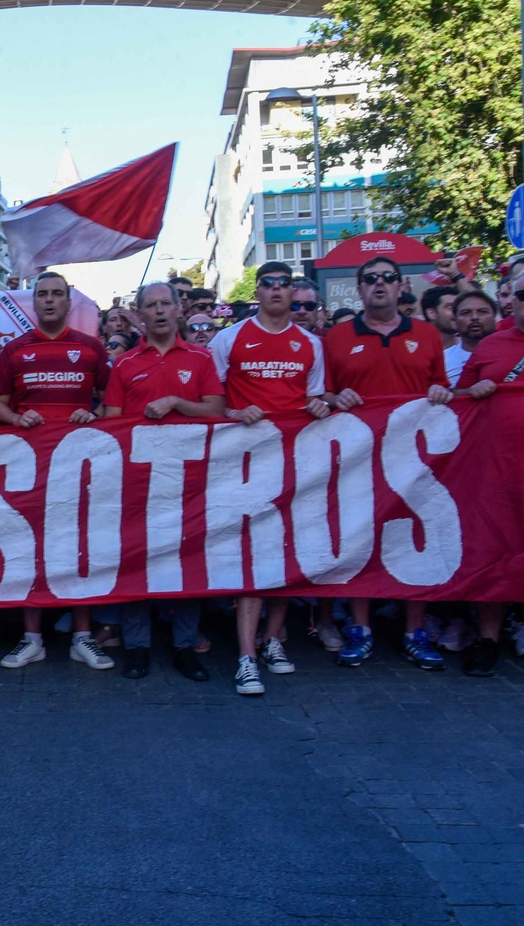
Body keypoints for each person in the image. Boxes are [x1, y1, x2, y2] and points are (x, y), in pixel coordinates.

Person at [321, 256, 451, 672]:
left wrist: (439, 393)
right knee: (361, 540)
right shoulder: (336, 338)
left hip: (415, 459)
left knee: (417, 539)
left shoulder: (428, 335)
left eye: (387, 278)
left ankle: (415, 631)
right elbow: (321, 395)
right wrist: (334, 399)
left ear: (402, 286)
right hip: (359, 457)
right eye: (370, 279)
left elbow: (443, 389)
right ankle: (361, 629)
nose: (379, 284)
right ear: (358, 290)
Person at [208, 261, 330, 696]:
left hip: (297, 462)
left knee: (286, 554)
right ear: (257, 291)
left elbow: (315, 399)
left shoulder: (311, 344)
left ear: (294, 293)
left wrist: (320, 407)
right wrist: (234, 413)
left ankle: (273, 639)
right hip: (244, 463)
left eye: (284, 284)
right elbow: (213, 402)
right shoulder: (229, 338)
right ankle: (245, 657)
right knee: (251, 558)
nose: (277, 290)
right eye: (269, 284)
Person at [98, 282, 225, 682]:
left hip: (190, 481)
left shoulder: (202, 358)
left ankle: (184, 647)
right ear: (139, 314)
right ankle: (137, 647)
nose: (158, 311)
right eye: (149, 305)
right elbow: (113, 420)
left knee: (187, 561)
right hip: (137, 480)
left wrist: (175, 403)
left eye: (164, 304)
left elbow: (216, 411)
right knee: (136, 559)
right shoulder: (124, 364)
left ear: (177, 308)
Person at [0, 271, 114, 672]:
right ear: (33, 302)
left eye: (56, 294)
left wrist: (91, 413)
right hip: (29, 466)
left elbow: (109, 405)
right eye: (41, 294)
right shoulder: (14, 350)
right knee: (28, 550)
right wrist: (16, 419)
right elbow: (0, 405)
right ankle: (33, 639)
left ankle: (82, 637)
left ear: (68, 302)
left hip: (77, 467)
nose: (48, 300)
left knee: (78, 548)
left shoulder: (91, 348)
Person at [457, 265, 524, 681]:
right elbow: (456, 406)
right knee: (495, 558)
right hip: (498, 477)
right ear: (511, 301)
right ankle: (487, 640)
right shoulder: (491, 346)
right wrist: (472, 391)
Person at [445, 289, 498, 383]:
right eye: (466, 313)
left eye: (482, 311)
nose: (474, 317)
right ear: (455, 320)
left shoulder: (511, 353)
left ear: (495, 317)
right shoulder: (442, 360)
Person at [421, 285, 463, 383]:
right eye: (450, 307)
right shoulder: (416, 352)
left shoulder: (470, 348)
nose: (457, 313)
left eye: (459, 307)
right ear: (431, 313)